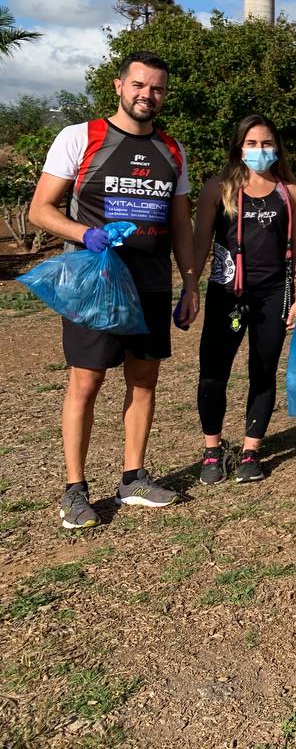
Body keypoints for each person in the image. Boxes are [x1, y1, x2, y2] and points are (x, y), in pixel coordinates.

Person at [28, 51, 198, 528]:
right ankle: (74, 490)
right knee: (86, 382)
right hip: (95, 282)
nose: (148, 95)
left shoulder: (172, 150)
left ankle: (133, 478)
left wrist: (189, 283)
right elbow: (40, 209)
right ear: (118, 86)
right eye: (139, 85)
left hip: (150, 283)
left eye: (158, 88)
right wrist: (85, 234)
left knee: (144, 380)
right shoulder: (81, 137)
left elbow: (181, 224)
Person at [191, 115, 296, 485]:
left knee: (263, 370)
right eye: (253, 144)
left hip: (274, 294)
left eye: (267, 143)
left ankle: (250, 450)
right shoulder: (218, 188)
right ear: (239, 148)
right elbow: (198, 245)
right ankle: (212, 449)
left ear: (277, 147)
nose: (260, 151)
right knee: (213, 373)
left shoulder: (289, 192)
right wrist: (189, 286)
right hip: (227, 294)